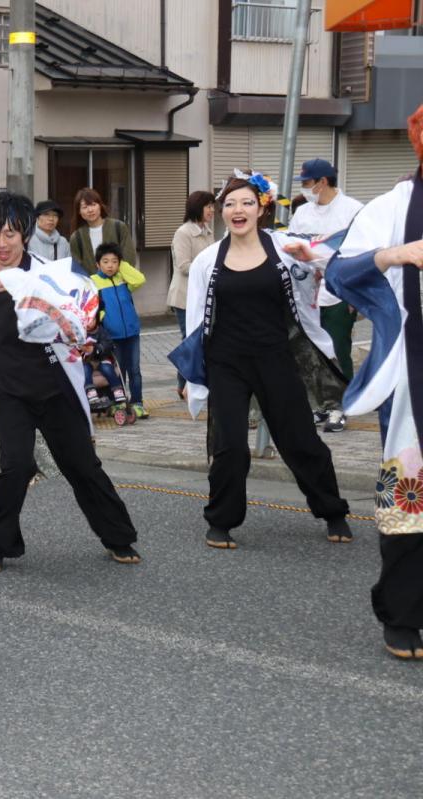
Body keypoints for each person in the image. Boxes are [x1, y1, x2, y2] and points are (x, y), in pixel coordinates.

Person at [0, 191, 141, 573]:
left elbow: (80, 322)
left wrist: (45, 301)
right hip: (6, 387)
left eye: (10, 234)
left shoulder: (47, 272)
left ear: (24, 234)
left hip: (54, 386)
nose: (1, 243)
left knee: (82, 465)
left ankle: (118, 536)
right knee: (15, 465)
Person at [170, 170, 351, 550]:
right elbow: (195, 324)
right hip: (225, 362)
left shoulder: (285, 248)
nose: (238, 210)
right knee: (229, 445)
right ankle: (220, 522)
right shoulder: (207, 261)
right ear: (221, 212)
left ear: (261, 208)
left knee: (300, 439)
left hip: (275, 356)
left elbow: (334, 263)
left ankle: (332, 510)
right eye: (230, 204)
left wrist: (314, 257)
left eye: (246, 203)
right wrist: (190, 377)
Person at [325, 103, 423, 659]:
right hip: (413, 371)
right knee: (409, 495)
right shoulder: (393, 206)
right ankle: (404, 613)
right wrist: (392, 255)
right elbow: (340, 271)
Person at [289, 158, 365, 433]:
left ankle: (343, 407)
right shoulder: (302, 214)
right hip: (307, 292)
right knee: (311, 350)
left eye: (308, 183)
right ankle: (322, 404)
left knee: (338, 348)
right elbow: (292, 247)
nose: (306, 189)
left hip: (339, 291)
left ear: (322, 182)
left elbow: (361, 253)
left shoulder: (353, 210)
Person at [89, 242, 147, 418]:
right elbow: (93, 309)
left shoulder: (124, 278)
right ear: (98, 264)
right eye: (105, 261)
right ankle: (117, 403)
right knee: (117, 371)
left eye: (114, 261)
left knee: (135, 370)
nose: (110, 265)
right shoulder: (93, 282)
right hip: (111, 336)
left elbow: (140, 279)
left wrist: (123, 266)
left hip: (132, 332)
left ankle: (137, 402)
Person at [169, 191, 217, 399]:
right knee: (189, 340)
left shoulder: (208, 231)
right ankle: (184, 385)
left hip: (204, 295)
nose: (212, 210)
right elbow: (183, 265)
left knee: (202, 340)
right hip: (185, 296)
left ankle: (189, 383)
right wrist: (210, 270)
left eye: (213, 206)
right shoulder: (183, 232)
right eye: (208, 206)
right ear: (197, 207)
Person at [68, 188, 137, 272]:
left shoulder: (118, 227)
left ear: (100, 205)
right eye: (85, 207)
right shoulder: (76, 237)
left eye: (93, 205)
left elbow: (129, 258)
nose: (90, 210)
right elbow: (77, 268)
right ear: (79, 211)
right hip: (92, 284)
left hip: (118, 282)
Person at [82, 316, 133, 426]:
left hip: (101, 359)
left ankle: (117, 390)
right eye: (87, 321)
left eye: (92, 320)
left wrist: (97, 348)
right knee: (85, 370)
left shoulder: (101, 331)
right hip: (87, 361)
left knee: (108, 369)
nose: (90, 323)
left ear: (96, 320)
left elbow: (108, 344)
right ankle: (91, 392)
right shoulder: (80, 333)